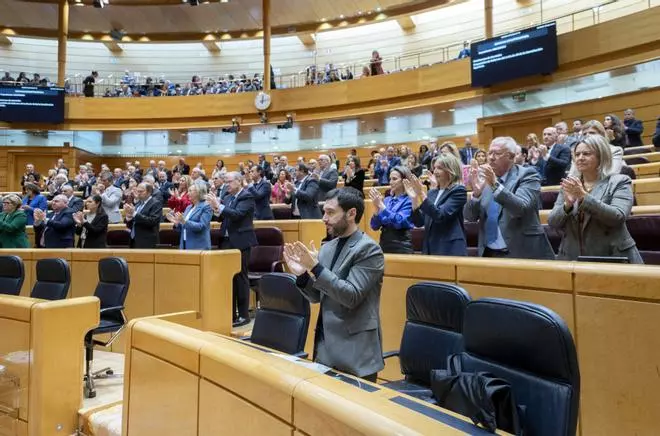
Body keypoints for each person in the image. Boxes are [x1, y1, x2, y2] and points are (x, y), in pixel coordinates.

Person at [283, 187, 385, 380]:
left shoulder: (369, 250)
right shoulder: (327, 248)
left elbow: (351, 296)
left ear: (351, 213)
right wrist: (303, 275)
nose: (324, 218)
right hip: (325, 348)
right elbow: (317, 296)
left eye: (330, 212)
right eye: (324, 212)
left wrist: (316, 268)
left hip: (355, 351)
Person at [548, 134, 642, 263]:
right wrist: (567, 205)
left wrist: (583, 197)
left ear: (601, 156)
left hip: (612, 257)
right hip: (572, 259)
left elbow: (618, 217)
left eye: (586, 154)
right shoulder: (569, 185)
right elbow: (553, 222)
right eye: (577, 154)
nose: (580, 158)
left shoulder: (619, 182)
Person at [464, 137, 554, 259]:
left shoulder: (528, 175)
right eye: (489, 153)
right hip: (489, 253)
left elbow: (520, 208)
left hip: (522, 252)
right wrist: (476, 195)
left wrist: (495, 185)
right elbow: (470, 217)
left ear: (511, 157)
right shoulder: (485, 179)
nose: (491, 157)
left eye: (497, 153)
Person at [206, 172, 257, 328]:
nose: (227, 184)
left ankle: (243, 315)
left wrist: (219, 206)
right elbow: (222, 218)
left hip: (241, 241)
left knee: (240, 277)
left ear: (239, 181)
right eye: (225, 181)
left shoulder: (247, 196)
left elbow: (237, 215)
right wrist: (215, 208)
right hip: (226, 241)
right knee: (228, 278)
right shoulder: (227, 198)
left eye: (229, 181)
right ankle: (231, 313)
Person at [406, 154, 468, 256]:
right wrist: (414, 199)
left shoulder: (458, 191)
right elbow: (419, 222)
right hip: (430, 248)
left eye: (439, 168)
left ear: (450, 170)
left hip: (450, 249)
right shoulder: (432, 193)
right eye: (434, 168)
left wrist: (421, 193)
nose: (435, 171)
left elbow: (440, 215)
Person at [369, 166, 414, 254]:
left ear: (404, 181)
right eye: (390, 179)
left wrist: (382, 207)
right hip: (384, 244)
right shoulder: (387, 200)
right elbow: (374, 226)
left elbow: (399, 221)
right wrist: (376, 209)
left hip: (401, 245)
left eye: (394, 179)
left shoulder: (409, 200)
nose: (390, 182)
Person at [168, 182, 212, 250]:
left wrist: (184, 221)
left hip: (198, 246)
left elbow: (201, 226)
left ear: (198, 192)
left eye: (190, 191)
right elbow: (184, 227)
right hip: (185, 244)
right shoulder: (189, 207)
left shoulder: (206, 207)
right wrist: (177, 223)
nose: (188, 193)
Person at [124, 183, 163, 249]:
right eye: (137, 191)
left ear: (149, 192)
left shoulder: (156, 203)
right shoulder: (138, 204)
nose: (138, 193)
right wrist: (129, 217)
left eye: (141, 191)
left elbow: (153, 221)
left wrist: (134, 214)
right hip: (134, 239)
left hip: (147, 241)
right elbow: (132, 224)